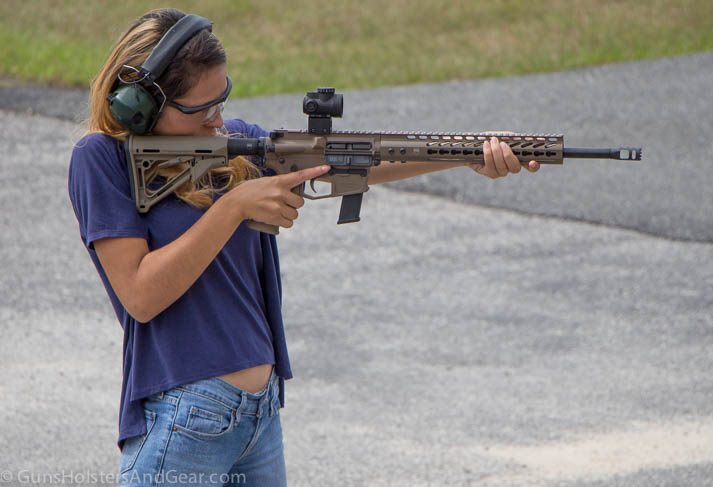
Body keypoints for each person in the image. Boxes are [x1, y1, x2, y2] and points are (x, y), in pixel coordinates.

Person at [68, 8, 539, 487]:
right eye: (200, 110)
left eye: (222, 98)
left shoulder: (236, 144)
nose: (218, 119)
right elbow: (140, 296)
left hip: (259, 416)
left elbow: (347, 163)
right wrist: (232, 208)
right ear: (140, 105)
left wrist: (465, 155)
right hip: (184, 416)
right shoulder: (100, 159)